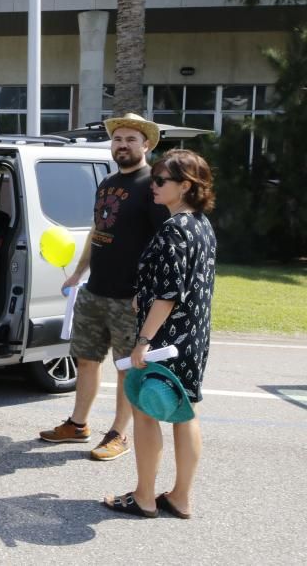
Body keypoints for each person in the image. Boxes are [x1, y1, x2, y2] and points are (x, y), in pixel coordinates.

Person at [40, 113, 169, 462]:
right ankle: (78, 425)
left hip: (130, 297)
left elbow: (163, 243)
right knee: (86, 360)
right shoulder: (108, 182)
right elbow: (98, 233)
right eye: (118, 139)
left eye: (130, 139)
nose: (122, 145)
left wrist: (148, 290)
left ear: (145, 145)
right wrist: (78, 273)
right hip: (95, 290)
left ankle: (118, 434)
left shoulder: (153, 185)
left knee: (127, 367)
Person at [103, 149, 217, 518]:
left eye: (161, 180)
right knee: (187, 413)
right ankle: (181, 497)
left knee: (145, 411)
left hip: (164, 340)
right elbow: (185, 282)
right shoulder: (201, 223)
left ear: (185, 186)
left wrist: (143, 341)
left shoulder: (173, 228)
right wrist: (144, 294)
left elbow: (169, 294)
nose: (153, 185)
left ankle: (145, 496)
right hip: (194, 336)